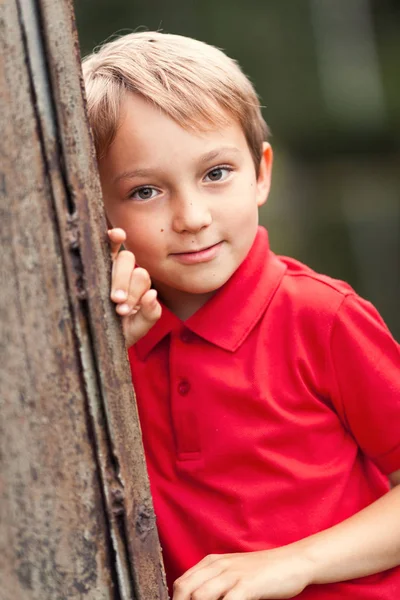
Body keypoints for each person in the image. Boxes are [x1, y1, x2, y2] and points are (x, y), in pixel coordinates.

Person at [82, 31, 400, 599]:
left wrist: (294, 562)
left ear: (261, 173)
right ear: (94, 205)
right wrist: (109, 357)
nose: (192, 216)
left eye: (215, 173)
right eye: (147, 190)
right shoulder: (105, 338)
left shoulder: (322, 317)